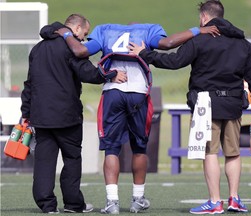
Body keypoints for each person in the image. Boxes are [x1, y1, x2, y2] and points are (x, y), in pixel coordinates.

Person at [56, 22, 219, 214]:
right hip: (138, 92)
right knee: (140, 148)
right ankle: (138, 198)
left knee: (111, 149)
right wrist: (196, 30)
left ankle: (112, 202)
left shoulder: (104, 30)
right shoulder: (149, 30)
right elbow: (168, 44)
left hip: (113, 91)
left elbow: (82, 50)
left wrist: (66, 33)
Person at [128, 0, 251, 214]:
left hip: (206, 104)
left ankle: (214, 202)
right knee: (233, 153)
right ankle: (235, 199)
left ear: (204, 17)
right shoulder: (242, 43)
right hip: (233, 103)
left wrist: (144, 54)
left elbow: (174, 62)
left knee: (210, 152)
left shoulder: (200, 39)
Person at [20, 14, 127, 214]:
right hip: (66, 115)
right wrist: (111, 74)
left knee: (44, 161)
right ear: (76, 28)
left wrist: (26, 112)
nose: (83, 40)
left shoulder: (37, 48)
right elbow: (88, 73)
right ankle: (73, 204)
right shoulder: (71, 46)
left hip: (40, 116)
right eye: (84, 34)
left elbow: (29, 84)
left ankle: (47, 205)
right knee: (71, 159)